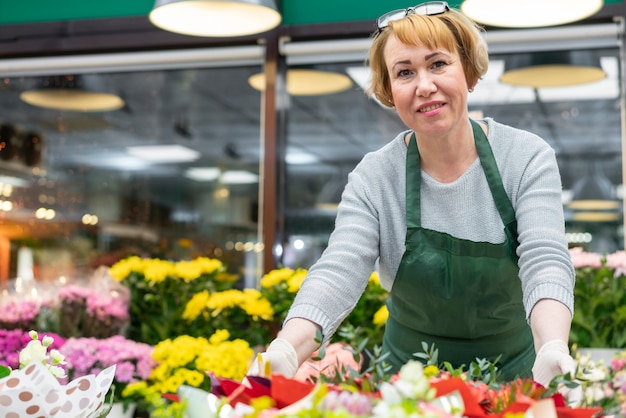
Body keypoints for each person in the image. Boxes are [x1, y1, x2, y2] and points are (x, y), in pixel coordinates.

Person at [252, 0, 577, 392]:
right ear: (390, 91)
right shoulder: (375, 177)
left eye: (438, 64)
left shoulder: (525, 157)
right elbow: (340, 268)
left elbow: (545, 257)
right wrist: (287, 348)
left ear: (469, 73)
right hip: (407, 388)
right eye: (405, 72)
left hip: (515, 381)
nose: (424, 85)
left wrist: (553, 344)